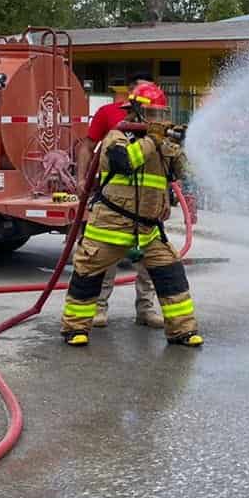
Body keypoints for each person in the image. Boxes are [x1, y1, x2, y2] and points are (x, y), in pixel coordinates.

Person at [62, 82, 202, 348]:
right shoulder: (117, 138)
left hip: (148, 230)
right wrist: (153, 139)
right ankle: (75, 329)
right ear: (136, 112)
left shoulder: (161, 143)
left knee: (171, 274)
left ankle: (182, 331)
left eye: (162, 114)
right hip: (110, 226)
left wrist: (180, 148)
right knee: (87, 275)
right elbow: (124, 163)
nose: (158, 120)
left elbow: (185, 174)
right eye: (153, 115)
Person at [80, 74, 165, 329]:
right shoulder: (109, 114)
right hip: (116, 202)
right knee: (106, 259)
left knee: (149, 263)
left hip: (148, 206)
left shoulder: (158, 117)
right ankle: (98, 308)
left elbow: (163, 164)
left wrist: (164, 199)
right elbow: (88, 146)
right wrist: (82, 181)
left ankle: (146, 309)